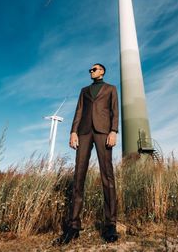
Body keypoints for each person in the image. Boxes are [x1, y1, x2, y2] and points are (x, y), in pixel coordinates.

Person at [56, 63, 119, 244]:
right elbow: (79, 111)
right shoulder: (84, 91)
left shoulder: (111, 89)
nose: (91, 72)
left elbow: (115, 111)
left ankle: (110, 225)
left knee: (107, 176)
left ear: (102, 71)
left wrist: (113, 131)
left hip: (103, 132)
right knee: (78, 177)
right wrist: (73, 132)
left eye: (94, 69)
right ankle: (73, 226)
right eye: (90, 70)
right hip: (83, 132)